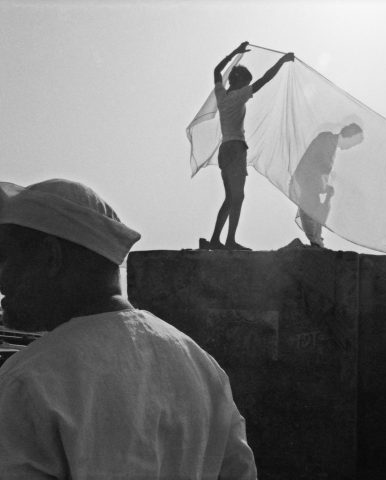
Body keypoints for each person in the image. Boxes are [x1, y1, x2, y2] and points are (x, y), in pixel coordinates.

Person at [0, 179, 257, 479]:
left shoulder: (28, 382)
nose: (1, 278)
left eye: (4, 257)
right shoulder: (202, 368)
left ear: (50, 256)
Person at [206, 41, 294, 251]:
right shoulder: (238, 95)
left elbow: (217, 70)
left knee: (230, 197)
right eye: (246, 82)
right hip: (236, 149)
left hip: (224, 150)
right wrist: (282, 61)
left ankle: (215, 240)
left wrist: (235, 53)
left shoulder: (221, 95)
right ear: (240, 83)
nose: (248, 86)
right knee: (238, 197)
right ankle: (229, 241)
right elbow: (265, 79)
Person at [290, 123, 364, 247]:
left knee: (316, 212)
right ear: (350, 136)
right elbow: (315, 165)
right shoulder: (326, 140)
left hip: (311, 186)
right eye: (353, 142)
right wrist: (324, 183)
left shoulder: (331, 144)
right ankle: (315, 242)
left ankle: (316, 241)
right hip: (307, 184)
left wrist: (326, 185)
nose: (351, 146)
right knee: (310, 211)